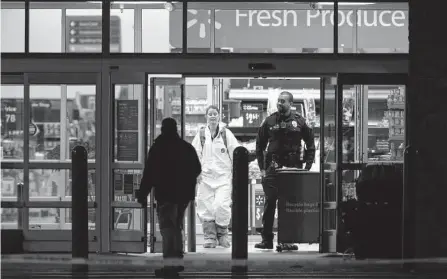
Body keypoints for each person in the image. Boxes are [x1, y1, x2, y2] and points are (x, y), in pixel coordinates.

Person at [137, 117, 201, 277]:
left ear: (163, 130)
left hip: (166, 195)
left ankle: (170, 265)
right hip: (183, 196)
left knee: (167, 230)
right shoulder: (186, 147)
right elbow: (197, 169)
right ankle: (177, 260)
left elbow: (149, 174)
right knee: (177, 226)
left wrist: (142, 194)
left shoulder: (158, 148)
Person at [254, 91, 316, 249]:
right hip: (273, 169)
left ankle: (287, 240)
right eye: (278, 101)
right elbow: (259, 146)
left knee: (289, 205)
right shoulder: (269, 121)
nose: (279, 103)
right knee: (270, 203)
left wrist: (307, 167)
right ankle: (267, 240)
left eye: (283, 101)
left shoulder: (300, 122)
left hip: (293, 170)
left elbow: (310, 144)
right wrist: (262, 168)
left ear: (291, 104)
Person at [191, 105, 240, 248]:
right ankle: (210, 237)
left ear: (219, 117)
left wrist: (236, 174)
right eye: (210, 114)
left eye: (215, 114)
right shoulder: (200, 135)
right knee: (205, 208)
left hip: (223, 178)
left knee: (221, 206)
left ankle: (222, 235)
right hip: (204, 179)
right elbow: (194, 155)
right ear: (206, 117)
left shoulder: (227, 134)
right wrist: (196, 172)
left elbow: (235, 153)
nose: (212, 116)